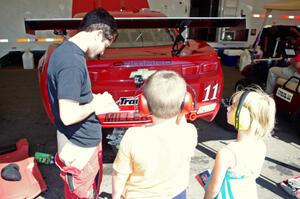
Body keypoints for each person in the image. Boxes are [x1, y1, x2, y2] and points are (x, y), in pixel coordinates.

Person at [47, 8, 119, 199]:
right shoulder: (71, 62)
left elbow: (72, 96)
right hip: (81, 147)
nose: (103, 51)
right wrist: (98, 104)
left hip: (76, 142)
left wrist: (94, 98)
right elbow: (68, 115)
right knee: (81, 194)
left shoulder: (66, 52)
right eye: (105, 44)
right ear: (98, 34)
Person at [112, 70, 198, 199]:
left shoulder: (134, 136)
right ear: (186, 103)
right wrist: (182, 110)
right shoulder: (189, 132)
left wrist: (116, 196)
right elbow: (182, 122)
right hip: (176, 194)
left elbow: (119, 174)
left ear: (143, 104)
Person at [204, 86, 276, 199]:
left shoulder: (227, 153)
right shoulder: (261, 145)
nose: (228, 109)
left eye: (232, 107)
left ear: (243, 116)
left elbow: (213, 189)